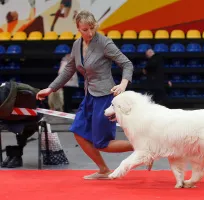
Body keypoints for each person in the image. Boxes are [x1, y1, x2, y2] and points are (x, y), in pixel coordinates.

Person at [36, 10, 152, 179]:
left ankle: (145, 147)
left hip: (105, 97)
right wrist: (50, 89)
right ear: (78, 28)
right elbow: (69, 69)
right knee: (78, 131)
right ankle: (104, 170)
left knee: (101, 144)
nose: (89, 32)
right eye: (85, 29)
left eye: (92, 28)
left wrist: (123, 84)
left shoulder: (104, 43)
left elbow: (127, 64)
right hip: (89, 95)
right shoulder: (77, 45)